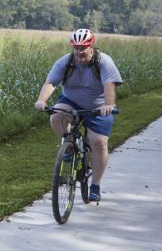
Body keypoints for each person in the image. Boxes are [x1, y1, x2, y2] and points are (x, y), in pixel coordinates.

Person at [33, 28, 123, 202]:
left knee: (99, 143)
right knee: (56, 117)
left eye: (83, 47)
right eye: (76, 48)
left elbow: (109, 86)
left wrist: (109, 105)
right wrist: (41, 100)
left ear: (91, 46)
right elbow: (51, 82)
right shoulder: (65, 62)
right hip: (71, 101)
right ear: (72, 47)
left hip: (98, 106)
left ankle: (95, 185)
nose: (80, 52)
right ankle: (70, 145)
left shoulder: (104, 62)